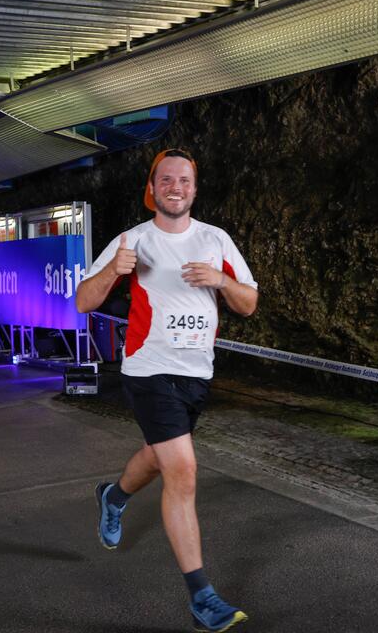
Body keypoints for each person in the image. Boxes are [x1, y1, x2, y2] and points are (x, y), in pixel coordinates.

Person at [76, 149, 259, 633]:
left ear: (194, 189)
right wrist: (115, 269)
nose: (175, 187)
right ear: (152, 188)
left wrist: (221, 279)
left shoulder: (215, 239)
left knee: (158, 457)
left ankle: (113, 496)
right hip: (148, 369)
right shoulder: (132, 240)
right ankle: (203, 597)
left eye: (185, 180)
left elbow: (249, 303)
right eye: (166, 180)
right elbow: (82, 301)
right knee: (182, 469)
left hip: (196, 373)